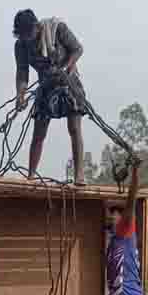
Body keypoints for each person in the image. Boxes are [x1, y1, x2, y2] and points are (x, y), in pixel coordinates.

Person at [13, 9, 87, 184]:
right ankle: (31, 176)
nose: (26, 38)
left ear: (36, 27)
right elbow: (22, 72)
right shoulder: (21, 46)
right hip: (46, 85)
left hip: (68, 82)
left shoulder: (56, 28)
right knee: (39, 132)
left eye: (28, 34)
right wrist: (20, 95)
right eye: (22, 36)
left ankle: (79, 176)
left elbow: (77, 49)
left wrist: (66, 68)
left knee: (74, 129)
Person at [88, 160, 145, 295]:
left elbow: (130, 202)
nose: (110, 215)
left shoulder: (125, 231)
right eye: (110, 212)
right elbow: (115, 280)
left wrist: (135, 174)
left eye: (114, 213)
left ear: (123, 218)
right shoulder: (114, 241)